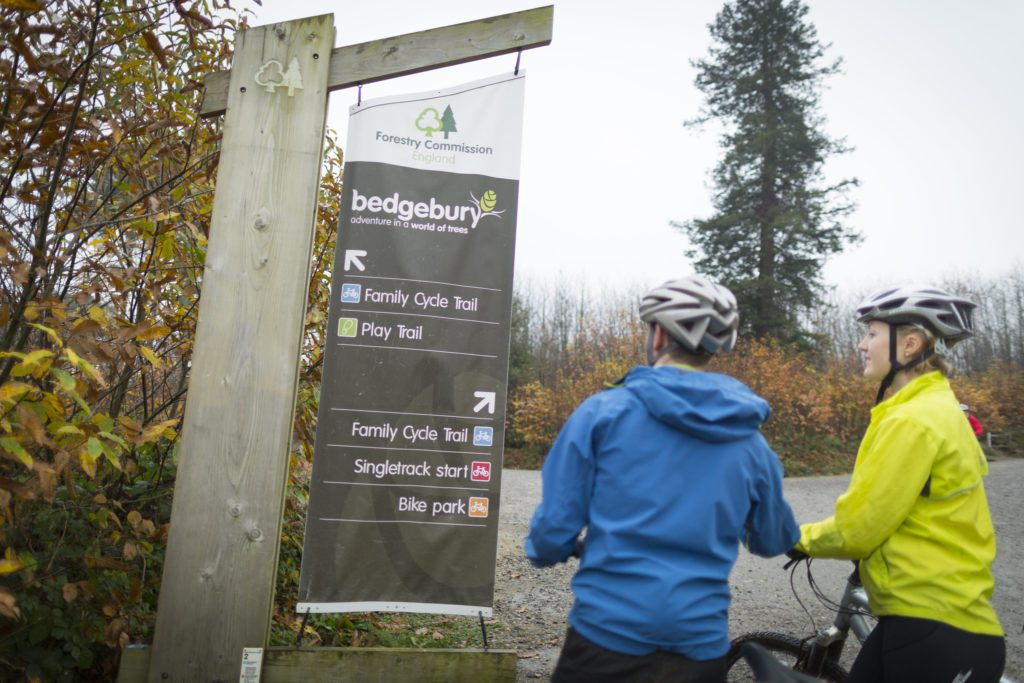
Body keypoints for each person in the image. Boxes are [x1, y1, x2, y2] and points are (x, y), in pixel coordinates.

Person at [525, 275, 800, 683]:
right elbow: (773, 539)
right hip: (698, 649)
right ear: (716, 346)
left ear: (657, 337)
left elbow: (549, 537)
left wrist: (553, 547)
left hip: (604, 640)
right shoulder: (751, 443)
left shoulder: (602, 415)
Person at [793, 285, 1006, 682]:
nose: (861, 344)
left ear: (909, 345)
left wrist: (794, 537)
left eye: (872, 333)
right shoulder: (938, 407)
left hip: (933, 625)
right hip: (928, 621)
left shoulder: (912, 420)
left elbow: (857, 529)